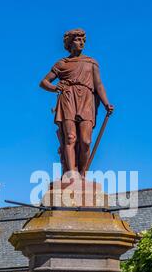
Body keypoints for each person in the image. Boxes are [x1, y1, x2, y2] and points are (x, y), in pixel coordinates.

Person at [40, 28, 114, 176]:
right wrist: (55, 88)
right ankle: (71, 173)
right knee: (70, 137)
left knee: (85, 141)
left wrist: (106, 103)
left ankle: (82, 173)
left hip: (86, 99)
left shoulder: (91, 62)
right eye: (77, 40)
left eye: (83, 40)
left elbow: (98, 85)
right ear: (70, 42)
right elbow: (44, 82)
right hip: (68, 99)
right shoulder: (62, 63)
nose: (81, 43)